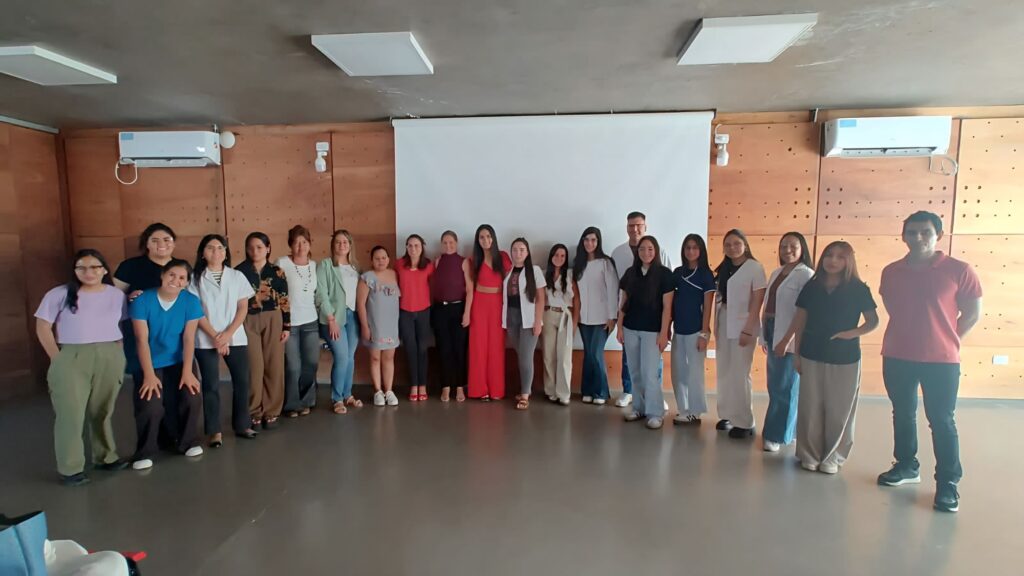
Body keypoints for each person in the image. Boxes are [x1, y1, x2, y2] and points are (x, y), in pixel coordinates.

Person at [876, 211, 982, 513]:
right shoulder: (891, 271)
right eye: (912, 232)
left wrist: (947, 338)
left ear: (939, 236)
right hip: (897, 354)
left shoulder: (959, 270)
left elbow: (972, 314)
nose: (918, 237)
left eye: (925, 232)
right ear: (903, 236)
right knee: (902, 413)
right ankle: (906, 465)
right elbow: (892, 307)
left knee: (942, 420)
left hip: (941, 361)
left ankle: (947, 483)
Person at [779, 241, 878, 474]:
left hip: (845, 357)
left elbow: (873, 321)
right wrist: (796, 354)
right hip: (811, 353)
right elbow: (800, 321)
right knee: (811, 407)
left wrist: (850, 334)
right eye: (829, 255)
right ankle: (809, 454)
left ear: (848, 261)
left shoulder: (858, 288)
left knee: (839, 409)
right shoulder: (812, 287)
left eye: (840, 257)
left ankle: (833, 457)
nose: (833, 261)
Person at [35, 249, 129, 486]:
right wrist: (57, 358)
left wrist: (117, 350)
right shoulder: (59, 294)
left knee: (103, 409)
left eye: (95, 267)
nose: (89, 272)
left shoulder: (116, 295)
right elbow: (42, 326)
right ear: (75, 271)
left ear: (104, 270)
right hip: (72, 355)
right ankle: (71, 468)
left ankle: (105, 456)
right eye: (82, 268)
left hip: (109, 353)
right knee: (70, 413)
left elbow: (120, 323)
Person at [128, 259, 205, 470]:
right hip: (149, 362)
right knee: (150, 405)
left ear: (186, 282)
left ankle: (187, 441)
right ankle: (145, 451)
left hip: (179, 360)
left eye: (182, 278)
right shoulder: (143, 301)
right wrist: (149, 375)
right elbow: (141, 340)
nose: (175, 280)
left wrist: (188, 371)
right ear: (162, 275)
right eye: (172, 275)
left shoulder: (190, 301)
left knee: (192, 397)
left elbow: (188, 338)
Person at [190, 234, 257, 447]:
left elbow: (242, 307)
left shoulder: (236, 276)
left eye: (220, 248)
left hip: (234, 336)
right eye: (210, 248)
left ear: (226, 252)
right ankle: (214, 430)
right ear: (202, 253)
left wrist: (227, 334)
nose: (216, 252)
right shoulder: (194, 278)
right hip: (205, 338)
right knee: (211, 384)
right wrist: (215, 336)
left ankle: (242, 424)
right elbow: (195, 311)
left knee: (242, 381)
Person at [611, 211, 672, 408]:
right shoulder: (625, 263)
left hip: (653, 326)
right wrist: (619, 324)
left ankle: (655, 405)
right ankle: (633, 399)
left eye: (639, 225)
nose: (635, 229)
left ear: (645, 227)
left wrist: (665, 330)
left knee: (651, 369)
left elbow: (668, 303)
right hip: (631, 324)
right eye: (631, 225)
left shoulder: (663, 267)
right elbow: (622, 297)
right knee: (633, 367)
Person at [760, 232, 814, 452]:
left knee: (784, 386)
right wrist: (765, 335)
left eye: (793, 246)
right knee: (777, 384)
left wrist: (786, 339)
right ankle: (789, 431)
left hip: (789, 334)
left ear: (802, 249)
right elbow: (768, 305)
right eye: (783, 246)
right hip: (772, 328)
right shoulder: (777, 272)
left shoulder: (806, 275)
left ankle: (776, 435)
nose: (787, 250)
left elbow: (803, 313)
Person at [714, 229, 767, 439]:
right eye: (727, 244)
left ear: (745, 244)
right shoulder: (724, 268)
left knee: (740, 373)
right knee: (724, 370)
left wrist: (748, 328)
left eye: (736, 243)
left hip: (744, 326)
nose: (732, 248)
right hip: (724, 323)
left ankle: (745, 421)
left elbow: (757, 301)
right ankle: (728, 414)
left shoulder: (755, 268)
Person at [618, 236, 674, 429]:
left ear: (656, 251)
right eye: (642, 249)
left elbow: (667, 307)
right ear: (637, 252)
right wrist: (619, 327)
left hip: (653, 331)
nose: (646, 252)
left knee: (650, 373)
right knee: (634, 371)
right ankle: (639, 408)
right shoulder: (630, 273)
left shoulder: (664, 274)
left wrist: (664, 333)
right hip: (630, 328)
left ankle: (655, 412)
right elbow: (623, 303)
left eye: (650, 249)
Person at [236, 232, 290, 430]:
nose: (255, 251)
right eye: (251, 247)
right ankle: (253, 411)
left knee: (274, 365)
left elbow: (284, 299)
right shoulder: (238, 272)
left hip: (273, 318)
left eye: (259, 247)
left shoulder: (277, 271)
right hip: (247, 319)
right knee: (254, 367)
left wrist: (287, 326)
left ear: (268, 248)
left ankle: (272, 410)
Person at [113, 223, 177, 377]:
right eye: (154, 240)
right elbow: (111, 297)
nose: (161, 244)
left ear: (173, 243)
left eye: (166, 239)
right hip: (140, 333)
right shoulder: (130, 266)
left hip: (173, 333)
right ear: (146, 244)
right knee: (145, 381)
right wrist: (127, 298)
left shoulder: (181, 267)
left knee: (175, 380)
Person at [669, 234, 716, 426]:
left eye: (695, 247)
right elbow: (670, 301)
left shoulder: (705, 274)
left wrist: (704, 333)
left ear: (701, 250)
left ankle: (695, 412)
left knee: (695, 374)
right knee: (678, 372)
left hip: (696, 331)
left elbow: (708, 306)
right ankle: (683, 409)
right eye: (687, 247)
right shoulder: (677, 272)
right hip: (679, 330)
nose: (691, 251)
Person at [277, 225, 319, 417]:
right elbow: (276, 292)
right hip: (289, 324)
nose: (301, 246)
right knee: (293, 366)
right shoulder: (282, 263)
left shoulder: (314, 265)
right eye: (296, 242)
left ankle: (307, 400)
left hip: (311, 321)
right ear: (290, 245)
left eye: (304, 242)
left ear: (309, 244)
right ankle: (291, 404)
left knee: (311, 363)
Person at [573, 227, 618, 405]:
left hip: (603, 318)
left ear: (598, 242)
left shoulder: (605, 263)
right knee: (588, 354)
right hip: (584, 318)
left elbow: (613, 290)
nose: (589, 243)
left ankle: (601, 392)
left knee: (596, 354)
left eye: (593, 240)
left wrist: (612, 316)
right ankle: (587, 390)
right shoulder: (579, 264)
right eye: (586, 239)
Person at [316, 230, 360, 414]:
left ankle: (347, 394)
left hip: (353, 317)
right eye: (338, 242)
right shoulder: (325, 265)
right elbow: (321, 294)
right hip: (334, 318)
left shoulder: (355, 268)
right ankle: (337, 398)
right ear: (333, 245)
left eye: (345, 242)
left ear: (350, 245)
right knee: (341, 357)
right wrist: (331, 319)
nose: (342, 245)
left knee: (350, 357)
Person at [467, 225, 513, 401]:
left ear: (493, 238)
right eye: (481, 237)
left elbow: (511, 281)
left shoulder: (503, 257)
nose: (485, 240)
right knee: (478, 347)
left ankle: (496, 390)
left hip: (498, 304)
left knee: (496, 347)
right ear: (477, 240)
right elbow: (470, 288)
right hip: (479, 304)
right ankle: (479, 389)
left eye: (488, 236)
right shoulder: (473, 260)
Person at [503, 238, 547, 410]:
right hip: (512, 317)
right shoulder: (508, 271)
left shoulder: (534, 270)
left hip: (528, 319)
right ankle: (525, 389)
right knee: (521, 354)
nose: (518, 253)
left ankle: (525, 394)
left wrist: (538, 321)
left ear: (527, 252)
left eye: (522, 249)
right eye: (515, 249)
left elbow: (541, 298)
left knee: (526, 357)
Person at [432, 231, 473, 402]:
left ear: (456, 243)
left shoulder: (463, 262)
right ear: (441, 244)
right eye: (445, 242)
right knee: (444, 349)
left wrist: (467, 313)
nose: (448, 245)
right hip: (440, 310)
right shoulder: (437, 261)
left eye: (451, 242)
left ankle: (460, 386)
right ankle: (445, 386)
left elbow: (470, 289)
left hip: (458, 309)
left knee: (459, 349)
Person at [358, 246, 401, 407]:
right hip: (374, 324)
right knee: (375, 358)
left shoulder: (394, 274)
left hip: (391, 323)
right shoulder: (366, 278)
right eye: (377, 258)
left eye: (384, 258)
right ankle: (378, 391)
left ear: (388, 259)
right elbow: (360, 304)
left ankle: (389, 390)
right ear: (372, 260)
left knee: (389, 357)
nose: (381, 261)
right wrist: (365, 326)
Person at [396, 234, 435, 401]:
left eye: (416, 245)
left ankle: (422, 385)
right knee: (410, 348)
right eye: (410, 245)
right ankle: (413, 385)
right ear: (406, 247)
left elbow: (433, 287)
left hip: (424, 311)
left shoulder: (429, 266)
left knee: (423, 349)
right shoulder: (399, 264)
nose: (413, 249)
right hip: (405, 312)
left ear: (422, 247)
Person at [542, 244, 578, 406]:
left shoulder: (570, 275)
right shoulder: (544, 275)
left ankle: (563, 393)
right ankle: (550, 390)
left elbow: (577, 300)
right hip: (548, 314)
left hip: (565, 315)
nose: (559, 258)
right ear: (551, 256)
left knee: (564, 356)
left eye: (563, 255)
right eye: (556, 255)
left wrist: (575, 322)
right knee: (548, 355)